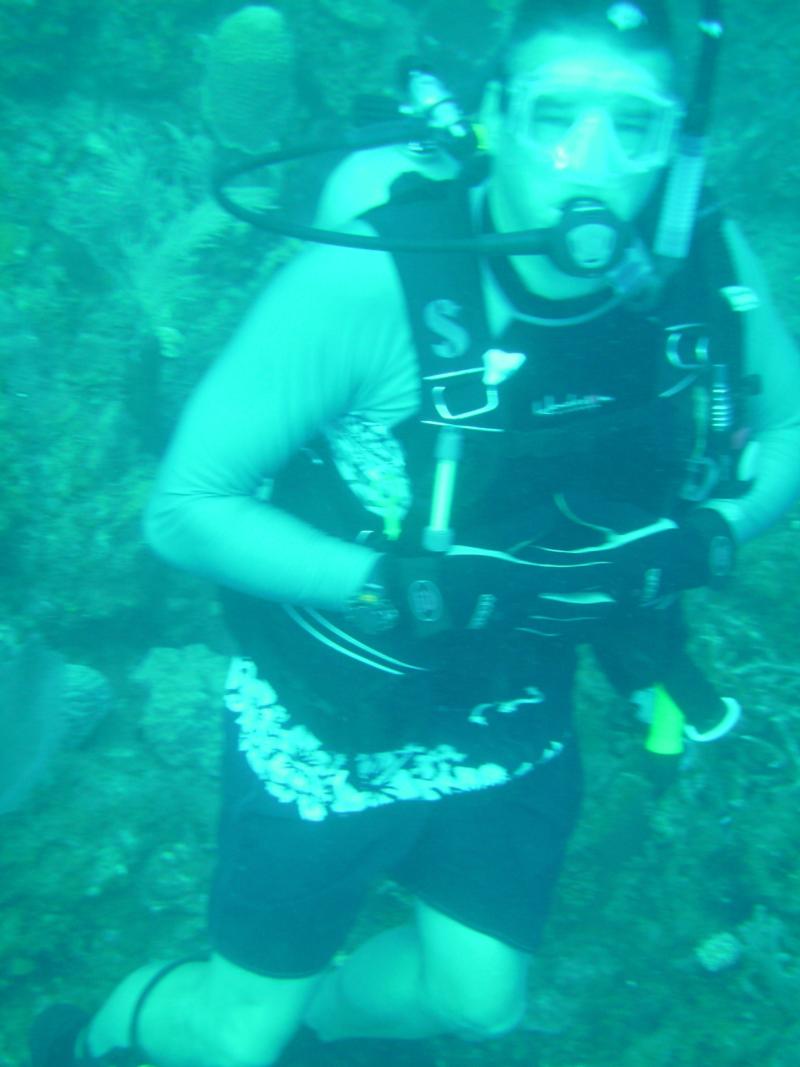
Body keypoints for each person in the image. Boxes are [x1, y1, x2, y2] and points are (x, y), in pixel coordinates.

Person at [31, 2, 800, 1066]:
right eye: (553, 115)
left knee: (479, 1001)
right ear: (492, 118)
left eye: (633, 124)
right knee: (233, 1037)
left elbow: (788, 425)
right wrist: (395, 582)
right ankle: (96, 1032)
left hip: (515, 695)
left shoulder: (699, 260)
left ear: (674, 138)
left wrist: (707, 536)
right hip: (328, 708)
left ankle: (311, 1021)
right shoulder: (367, 286)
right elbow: (185, 508)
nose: (592, 157)